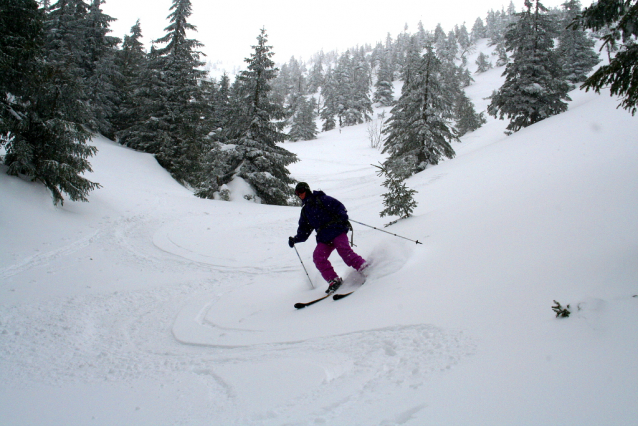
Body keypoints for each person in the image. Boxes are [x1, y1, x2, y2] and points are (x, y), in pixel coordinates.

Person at [288, 182, 367, 293]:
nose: (299, 194)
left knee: (344, 251)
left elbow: (338, 206)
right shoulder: (305, 211)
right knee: (318, 257)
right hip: (324, 237)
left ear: (307, 190)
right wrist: (295, 239)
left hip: (336, 229)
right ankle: (333, 280)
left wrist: (342, 216)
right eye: (297, 193)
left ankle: (364, 268)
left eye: (301, 191)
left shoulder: (321, 199)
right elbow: (304, 230)